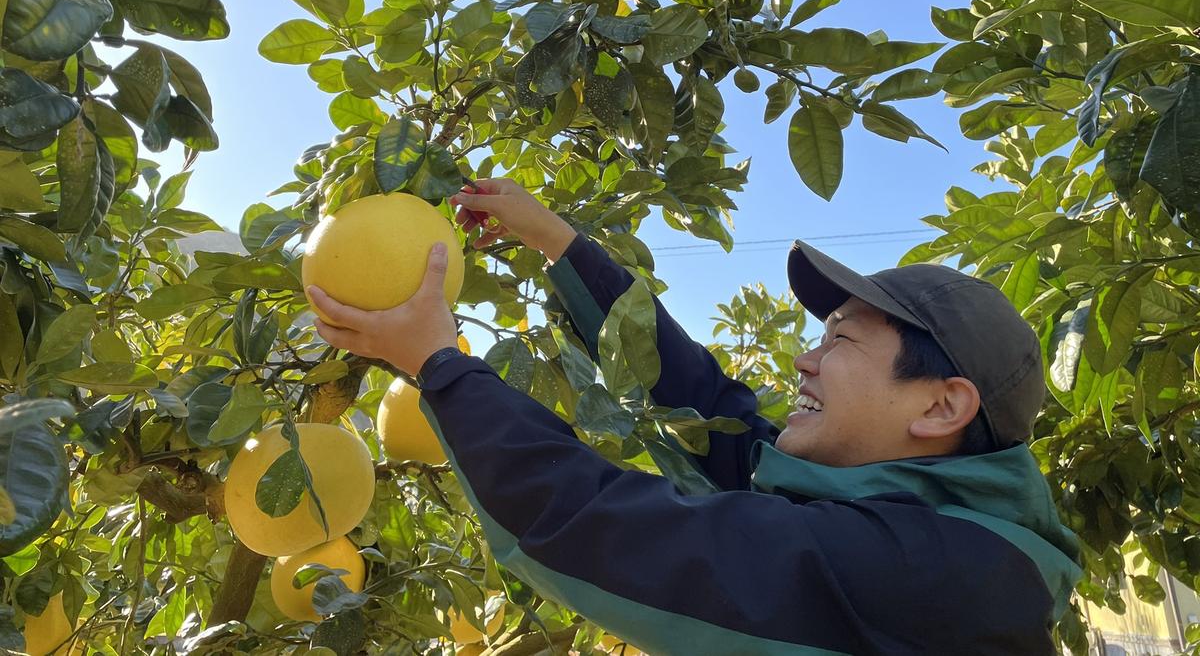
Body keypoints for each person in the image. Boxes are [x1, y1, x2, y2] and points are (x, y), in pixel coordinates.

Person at [306, 178, 1083, 655]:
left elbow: (612, 530)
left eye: (840, 341)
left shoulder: (937, 577)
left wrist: (440, 365)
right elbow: (712, 410)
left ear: (942, 405)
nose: (805, 363)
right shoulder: (898, 513)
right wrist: (555, 240)